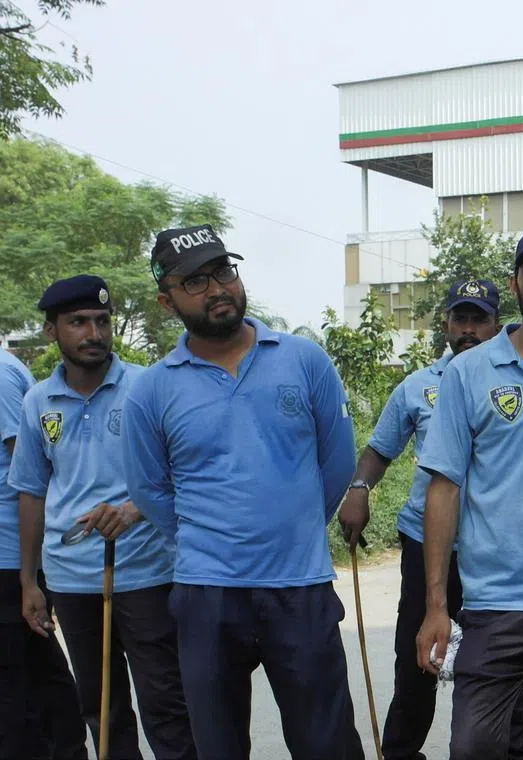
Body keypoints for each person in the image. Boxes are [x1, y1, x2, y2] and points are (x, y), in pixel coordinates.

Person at [121, 225, 365, 760]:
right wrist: (211, 538)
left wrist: (294, 527)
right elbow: (150, 487)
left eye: (223, 271)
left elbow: (337, 463)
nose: (217, 289)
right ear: (167, 301)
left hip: (299, 588)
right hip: (205, 594)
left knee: (327, 743)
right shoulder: (153, 389)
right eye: (195, 282)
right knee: (218, 745)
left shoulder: (304, 360)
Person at [415, 225, 523, 760]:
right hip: (495, 606)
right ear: (515, 284)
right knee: (474, 748)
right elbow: (443, 489)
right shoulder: (469, 373)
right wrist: (435, 606)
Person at [338, 278, 523, 760]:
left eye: (479, 319)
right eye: (460, 319)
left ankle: (511, 749)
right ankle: (402, 751)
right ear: (446, 324)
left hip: (492, 548)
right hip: (425, 544)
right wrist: (360, 489)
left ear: (496, 323)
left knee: (498, 658)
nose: (468, 329)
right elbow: (379, 451)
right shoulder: (418, 386)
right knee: (419, 656)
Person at [11, 276, 194, 760]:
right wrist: (31, 582)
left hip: (147, 571)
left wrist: (135, 509)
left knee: (167, 705)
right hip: (71, 580)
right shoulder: (37, 403)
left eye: (102, 321)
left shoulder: (148, 386)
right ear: (52, 332)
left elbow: (185, 471)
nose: (93, 333)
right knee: (100, 707)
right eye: (78, 323)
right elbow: (31, 491)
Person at [1, 343, 88, 760]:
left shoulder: (0, 374)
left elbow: (30, 469)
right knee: (37, 665)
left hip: (9, 552)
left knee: (16, 679)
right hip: (16, 555)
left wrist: (28, 576)